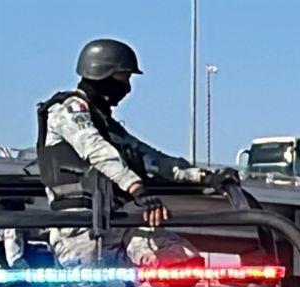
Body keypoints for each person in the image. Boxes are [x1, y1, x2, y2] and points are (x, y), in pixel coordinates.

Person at [36, 39, 227, 267]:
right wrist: (136, 188)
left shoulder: (108, 125)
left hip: (119, 222)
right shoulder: (68, 111)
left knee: (181, 260)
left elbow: (151, 159)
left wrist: (204, 177)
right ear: (101, 73)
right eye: (123, 78)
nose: (127, 87)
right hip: (79, 228)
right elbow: (96, 150)